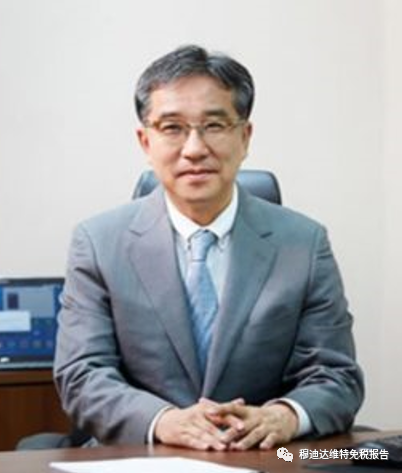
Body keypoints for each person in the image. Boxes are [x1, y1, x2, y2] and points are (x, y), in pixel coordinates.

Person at [54, 45, 364, 451]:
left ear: (245, 137)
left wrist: (284, 416)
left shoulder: (304, 244)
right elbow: (82, 374)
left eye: (214, 125)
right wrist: (164, 421)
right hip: (142, 455)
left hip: (261, 456)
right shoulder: (98, 242)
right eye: (172, 128)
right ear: (145, 141)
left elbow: (336, 375)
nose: (195, 148)